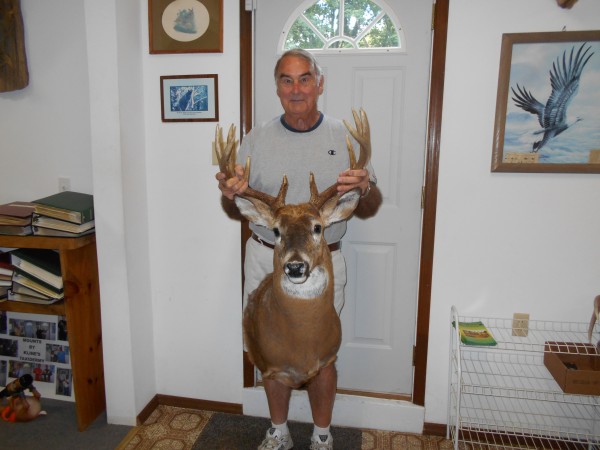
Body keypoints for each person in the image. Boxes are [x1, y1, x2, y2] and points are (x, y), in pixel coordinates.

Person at [216, 48, 382, 450]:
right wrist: (228, 189)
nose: (296, 89)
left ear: (319, 83)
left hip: (323, 261)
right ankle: (279, 430)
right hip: (266, 256)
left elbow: (370, 204)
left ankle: (322, 434)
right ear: (276, 87)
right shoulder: (256, 140)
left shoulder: (343, 137)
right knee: (269, 349)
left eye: (305, 78)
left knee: (320, 352)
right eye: (286, 80)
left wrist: (365, 187)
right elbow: (235, 202)